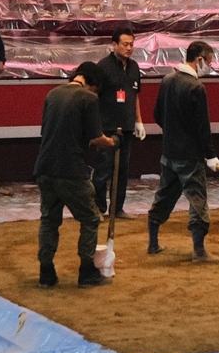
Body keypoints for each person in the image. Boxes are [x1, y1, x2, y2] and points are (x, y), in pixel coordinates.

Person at [37, 62, 117, 287]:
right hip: (70, 169)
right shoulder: (88, 99)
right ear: (93, 83)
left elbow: (45, 130)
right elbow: (96, 138)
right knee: (90, 218)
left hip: (44, 167)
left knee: (49, 220)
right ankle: (86, 271)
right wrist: (114, 142)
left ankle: (46, 272)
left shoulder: (52, 94)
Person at [145, 40, 219, 262]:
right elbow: (202, 127)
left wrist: (173, 133)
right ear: (199, 60)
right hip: (190, 157)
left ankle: (153, 243)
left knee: (164, 196)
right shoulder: (196, 88)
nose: (209, 66)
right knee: (197, 201)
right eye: (208, 62)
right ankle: (199, 251)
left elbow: (157, 115)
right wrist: (210, 155)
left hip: (168, 153)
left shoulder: (167, 80)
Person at [91, 30, 145, 220]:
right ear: (114, 44)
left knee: (122, 170)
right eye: (125, 44)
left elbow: (135, 95)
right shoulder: (103, 67)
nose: (129, 48)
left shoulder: (135, 67)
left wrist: (139, 121)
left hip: (127, 127)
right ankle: (98, 208)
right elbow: (94, 96)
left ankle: (117, 208)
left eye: (131, 44)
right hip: (107, 126)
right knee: (103, 170)